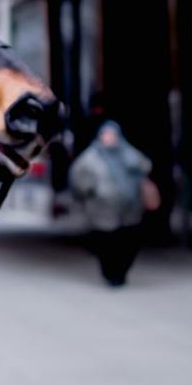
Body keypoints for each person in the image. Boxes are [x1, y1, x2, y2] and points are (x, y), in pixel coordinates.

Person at [68, 116, 157, 286]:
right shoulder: (91, 157)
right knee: (107, 244)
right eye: (105, 135)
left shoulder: (128, 153)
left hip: (130, 209)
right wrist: (90, 191)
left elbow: (145, 166)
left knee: (129, 243)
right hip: (102, 211)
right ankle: (110, 274)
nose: (108, 138)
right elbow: (78, 178)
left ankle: (121, 272)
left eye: (112, 135)